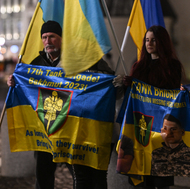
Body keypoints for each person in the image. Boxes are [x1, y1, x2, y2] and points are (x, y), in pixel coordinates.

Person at [7, 20, 114, 189]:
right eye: (44, 37)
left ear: (61, 38)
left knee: (78, 173)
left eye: (52, 36)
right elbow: (26, 86)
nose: (47, 41)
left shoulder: (77, 59)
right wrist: (14, 82)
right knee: (43, 173)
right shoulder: (36, 63)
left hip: (71, 128)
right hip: (46, 129)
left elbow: (106, 78)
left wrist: (112, 81)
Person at [123, 25, 184, 189]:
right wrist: (126, 83)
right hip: (142, 124)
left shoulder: (173, 67)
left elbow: (172, 94)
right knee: (142, 178)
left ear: (162, 42)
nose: (149, 43)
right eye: (147, 40)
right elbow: (133, 95)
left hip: (162, 127)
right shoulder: (139, 66)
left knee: (161, 176)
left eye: (154, 40)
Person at [151, 114, 190, 179]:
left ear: (182, 132)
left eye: (173, 129)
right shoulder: (155, 154)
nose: (168, 133)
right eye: (165, 129)